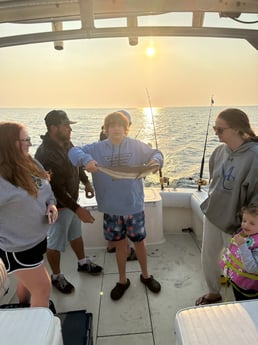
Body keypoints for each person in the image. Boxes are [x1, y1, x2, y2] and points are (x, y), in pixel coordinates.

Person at [69, 111, 163, 300]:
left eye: (120, 125)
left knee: (140, 244)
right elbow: (73, 151)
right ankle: (122, 280)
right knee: (120, 246)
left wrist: (156, 161)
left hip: (133, 206)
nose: (116, 129)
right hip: (111, 208)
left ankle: (146, 276)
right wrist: (87, 160)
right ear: (106, 129)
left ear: (127, 128)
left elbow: (157, 153)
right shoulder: (97, 148)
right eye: (112, 125)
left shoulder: (136, 146)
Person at [35, 110, 103, 294]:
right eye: (66, 125)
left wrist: (86, 182)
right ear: (53, 128)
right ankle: (56, 276)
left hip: (72, 202)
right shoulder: (44, 154)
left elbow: (77, 163)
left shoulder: (67, 144)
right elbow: (55, 188)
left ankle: (82, 262)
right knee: (54, 243)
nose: (70, 129)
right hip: (57, 206)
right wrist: (78, 209)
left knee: (75, 234)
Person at [195, 108, 258, 305]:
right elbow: (214, 180)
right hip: (213, 215)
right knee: (209, 257)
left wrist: (246, 226)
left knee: (241, 265)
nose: (216, 132)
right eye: (214, 128)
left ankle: (241, 301)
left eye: (220, 129)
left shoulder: (255, 157)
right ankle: (214, 292)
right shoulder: (218, 151)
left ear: (238, 129)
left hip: (237, 225)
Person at [0, 122, 58, 307]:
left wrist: (52, 205)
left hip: (38, 239)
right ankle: (38, 331)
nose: (30, 144)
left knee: (27, 282)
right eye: (25, 140)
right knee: (42, 288)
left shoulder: (31, 162)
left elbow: (47, 191)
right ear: (8, 143)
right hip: (17, 248)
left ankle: (25, 306)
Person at [99, 110, 137, 261]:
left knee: (111, 217)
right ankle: (125, 250)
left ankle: (111, 245)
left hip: (108, 187)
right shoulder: (108, 141)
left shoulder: (104, 136)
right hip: (113, 186)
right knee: (119, 219)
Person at [220, 203, 258, 300]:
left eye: (252, 223)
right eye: (244, 220)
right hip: (238, 281)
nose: (245, 224)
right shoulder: (246, 235)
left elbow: (253, 268)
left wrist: (242, 246)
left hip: (248, 289)